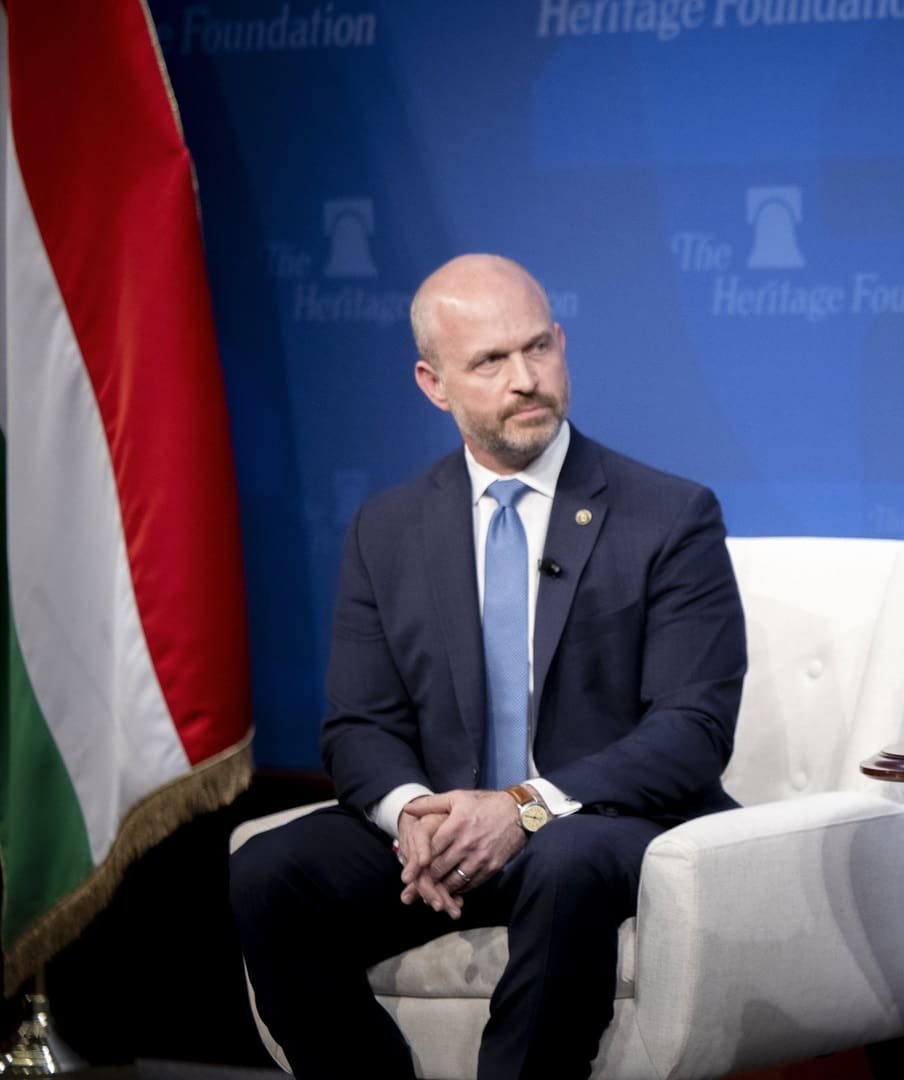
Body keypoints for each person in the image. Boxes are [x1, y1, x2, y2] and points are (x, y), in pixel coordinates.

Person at [230, 254, 748, 1079]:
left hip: (596, 826)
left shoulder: (668, 515)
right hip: (451, 834)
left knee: (562, 861)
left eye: (538, 348)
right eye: (490, 362)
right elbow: (360, 725)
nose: (525, 379)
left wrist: (523, 807)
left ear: (562, 343)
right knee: (270, 871)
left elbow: (692, 731)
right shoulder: (388, 527)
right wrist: (411, 817)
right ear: (433, 384)